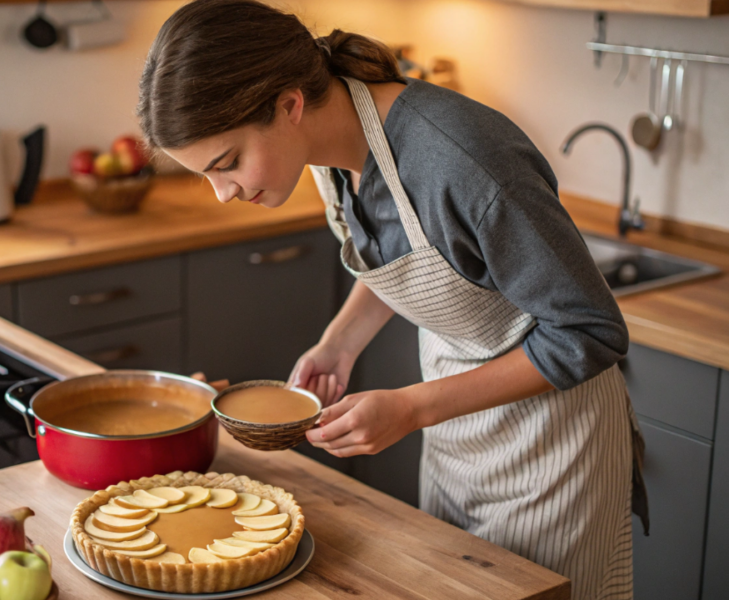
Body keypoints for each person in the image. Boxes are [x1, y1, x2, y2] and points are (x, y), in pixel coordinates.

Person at [137, 1, 647, 597]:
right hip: (458, 439)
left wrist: (414, 408)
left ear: (289, 106)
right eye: (204, 173)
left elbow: (590, 331)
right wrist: (340, 343)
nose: (222, 193)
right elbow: (413, 257)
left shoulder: (461, 160)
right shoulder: (330, 146)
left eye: (227, 164)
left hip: (556, 456)